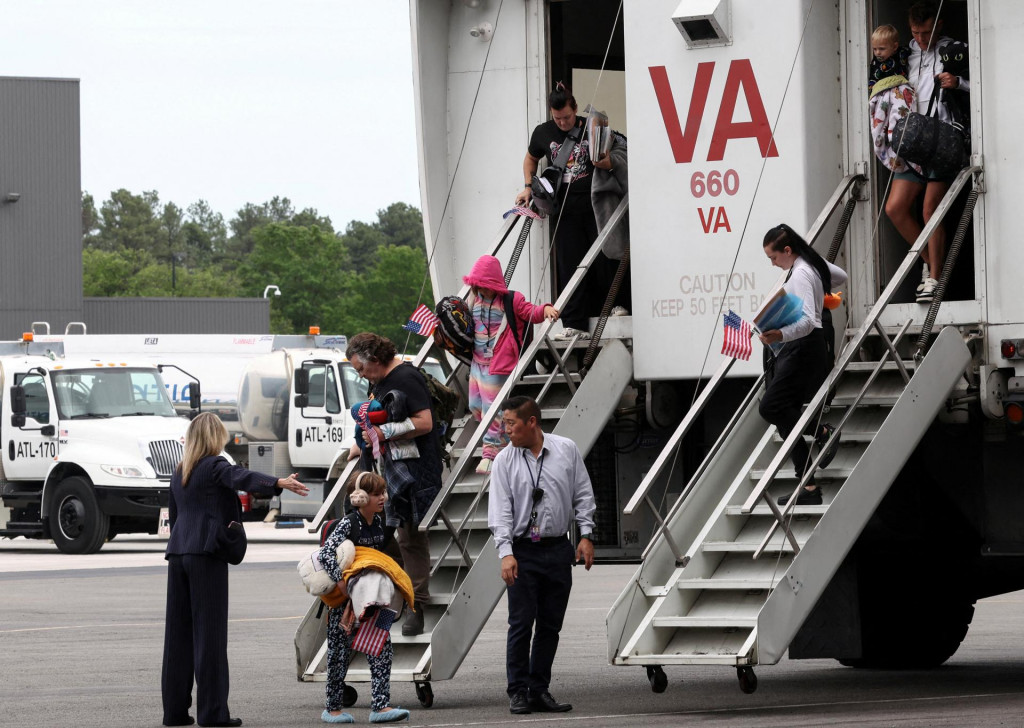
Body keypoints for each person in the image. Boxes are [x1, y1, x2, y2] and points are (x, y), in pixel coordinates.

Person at [162, 412, 309, 728]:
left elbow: (175, 517)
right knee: (209, 636)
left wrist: (182, 544)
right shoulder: (214, 466)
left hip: (178, 554)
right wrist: (277, 482)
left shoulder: (179, 472)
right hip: (206, 554)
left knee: (178, 636)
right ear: (215, 438)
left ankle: (174, 712)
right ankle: (213, 713)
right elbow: (241, 478)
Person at [487, 395, 596, 715]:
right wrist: (505, 553)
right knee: (521, 623)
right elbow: (500, 512)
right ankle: (517, 690)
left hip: (558, 547)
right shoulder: (505, 460)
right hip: (522, 550)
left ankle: (539, 688)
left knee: (551, 624)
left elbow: (583, 493)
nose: (506, 430)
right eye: (504, 423)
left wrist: (586, 535)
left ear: (531, 422)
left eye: (511, 423)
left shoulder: (566, 449)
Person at [345, 332, 441, 636]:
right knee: (384, 532)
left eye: (360, 369)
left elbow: (425, 422)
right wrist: (363, 444)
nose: (360, 375)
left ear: (373, 359)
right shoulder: (382, 381)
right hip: (393, 466)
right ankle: (403, 590)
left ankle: (417, 604)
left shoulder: (406, 377)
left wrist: (383, 433)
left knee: (410, 534)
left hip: (414, 470)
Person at [514, 83, 624, 340]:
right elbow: (530, 159)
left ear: (575, 109)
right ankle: (573, 321)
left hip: (594, 203)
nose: (562, 123)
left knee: (606, 256)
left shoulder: (591, 126)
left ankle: (615, 304)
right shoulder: (543, 132)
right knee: (570, 262)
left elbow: (617, 148)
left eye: (566, 117)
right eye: (557, 118)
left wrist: (606, 160)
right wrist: (528, 186)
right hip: (564, 209)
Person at [884, 0, 971, 303]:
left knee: (930, 209)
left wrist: (957, 82)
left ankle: (935, 279)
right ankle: (930, 264)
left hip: (943, 138)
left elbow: (987, 84)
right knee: (895, 208)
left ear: (939, 26)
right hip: (914, 140)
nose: (921, 39)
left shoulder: (954, 50)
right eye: (916, 32)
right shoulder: (905, 54)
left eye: (926, 33)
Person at [757, 224, 848, 507]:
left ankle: (823, 432)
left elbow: (808, 322)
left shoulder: (800, 273)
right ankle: (807, 486)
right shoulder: (810, 266)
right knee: (785, 415)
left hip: (804, 348)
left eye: (773, 257)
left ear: (787, 250)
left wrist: (778, 334)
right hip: (809, 348)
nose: (773, 264)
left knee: (770, 407)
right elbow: (840, 276)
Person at [318, 471, 410, 724]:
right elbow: (326, 554)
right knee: (338, 654)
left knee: (381, 647)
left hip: (372, 598)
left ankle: (380, 706)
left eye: (383, 492)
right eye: (377, 494)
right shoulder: (348, 523)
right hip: (345, 602)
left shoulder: (380, 523)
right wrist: (341, 581)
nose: (383, 498)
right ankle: (332, 709)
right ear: (360, 497)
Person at [462, 254, 559, 474]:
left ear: (494, 284)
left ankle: (491, 453)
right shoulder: (473, 299)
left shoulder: (510, 300)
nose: (482, 290)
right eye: (478, 285)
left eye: (485, 286)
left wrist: (544, 310)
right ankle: (505, 438)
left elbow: (529, 311)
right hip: (477, 362)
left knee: (493, 409)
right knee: (475, 406)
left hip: (499, 363)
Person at [868, 24, 911, 94]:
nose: (877, 52)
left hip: (902, 90)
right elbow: (873, 80)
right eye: (875, 49)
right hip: (885, 93)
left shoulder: (902, 52)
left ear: (894, 47)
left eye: (882, 49)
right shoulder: (875, 62)